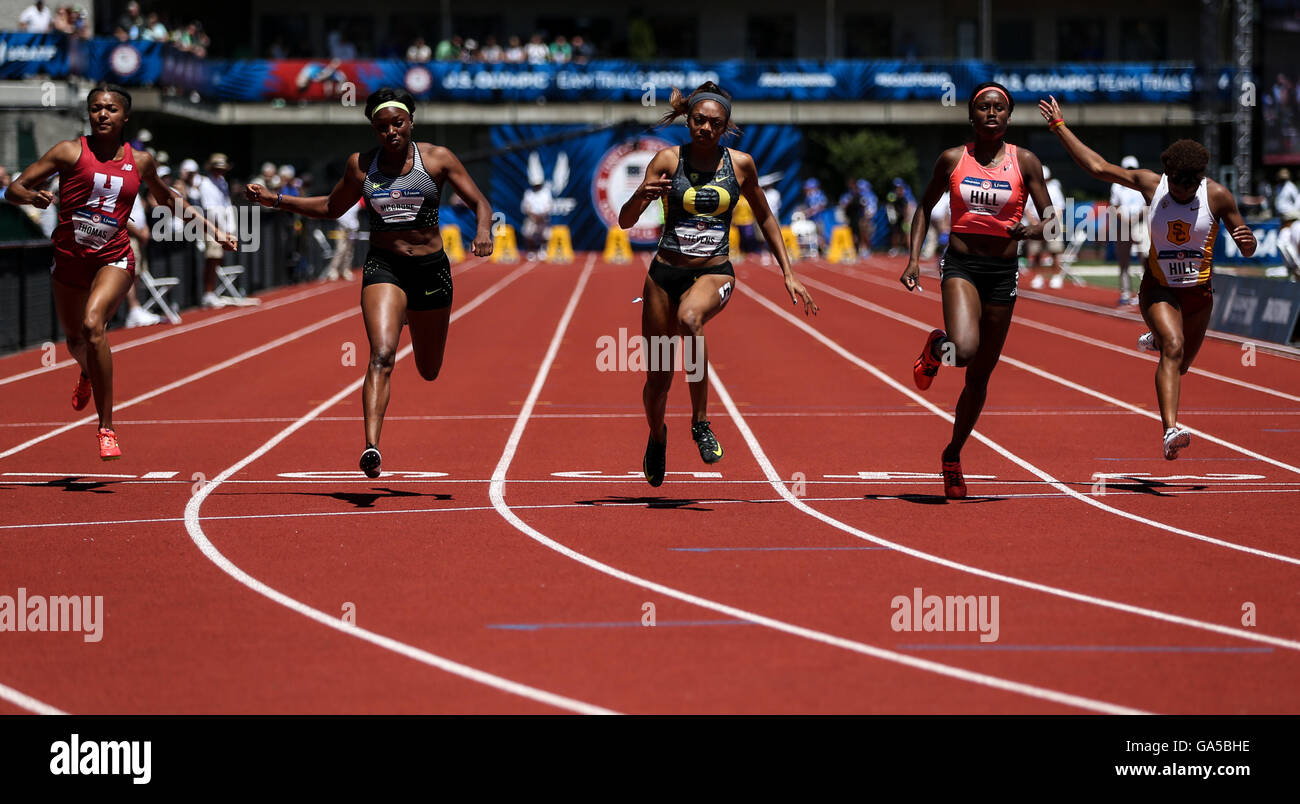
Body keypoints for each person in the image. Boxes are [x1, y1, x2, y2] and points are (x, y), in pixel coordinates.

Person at [245, 88, 493, 478]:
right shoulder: (362, 166)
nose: (391, 132)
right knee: (381, 354)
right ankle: (371, 447)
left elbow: (481, 203)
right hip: (385, 267)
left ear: (411, 121)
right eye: (382, 127)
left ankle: (412, 313)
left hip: (429, 270)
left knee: (429, 370)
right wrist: (277, 200)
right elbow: (330, 207)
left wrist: (483, 232)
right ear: (373, 129)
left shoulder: (437, 159)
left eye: (398, 123)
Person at [4, 84, 233, 459]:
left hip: (114, 257)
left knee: (94, 325)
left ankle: (106, 427)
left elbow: (168, 199)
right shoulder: (68, 151)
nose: (102, 114)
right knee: (77, 341)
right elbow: (14, 189)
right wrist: (31, 196)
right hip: (68, 260)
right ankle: (89, 370)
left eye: (110, 109)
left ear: (125, 116)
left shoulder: (139, 161)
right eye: (95, 108)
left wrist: (213, 231)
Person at [618, 82, 818, 487]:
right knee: (657, 381)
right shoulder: (667, 161)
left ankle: (701, 421)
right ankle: (658, 437)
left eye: (715, 123)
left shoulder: (740, 165)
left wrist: (788, 272)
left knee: (692, 318)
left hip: (714, 271)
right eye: (699, 120)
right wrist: (641, 195)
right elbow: (625, 221)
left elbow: (764, 216)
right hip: (663, 275)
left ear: (725, 127)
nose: (705, 128)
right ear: (688, 120)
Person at [1039, 95, 1257, 460]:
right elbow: (1097, 166)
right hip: (1158, 290)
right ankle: (1170, 430)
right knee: (1173, 348)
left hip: (1199, 294)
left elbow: (1245, 242)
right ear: (1168, 174)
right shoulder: (1152, 185)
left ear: (1198, 180)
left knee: (1182, 363)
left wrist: (1246, 242)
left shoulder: (1217, 196)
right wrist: (1059, 127)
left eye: (1187, 186)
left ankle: (1157, 339)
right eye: (1175, 183)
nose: (1180, 191)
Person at [901, 82, 1058, 499]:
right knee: (964, 349)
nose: (991, 114)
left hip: (1003, 272)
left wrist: (1035, 229)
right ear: (972, 117)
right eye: (983, 108)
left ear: (1008, 117)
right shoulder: (953, 159)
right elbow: (923, 207)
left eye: (999, 108)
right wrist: (914, 259)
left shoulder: (1025, 162)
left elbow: (1053, 219)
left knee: (980, 375)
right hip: (962, 265)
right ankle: (938, 347)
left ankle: (952, 456)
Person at [193, 153, 236, 308]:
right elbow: (211, 210)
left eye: (222, 169)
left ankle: (211, 292)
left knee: (217, 259)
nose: (220, 172)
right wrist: (223, 231)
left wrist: (230, 229)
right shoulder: (206, 184)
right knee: (212, 259)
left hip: (221, 227)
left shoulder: (222, 182)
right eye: (217, 169)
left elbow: (227, 204)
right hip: (211, 226)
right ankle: (208, 293)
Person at [1110, 155, 1147, 305]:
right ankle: (1125, 292)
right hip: (1123, 224)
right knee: (1123, 260)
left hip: (1140, 223)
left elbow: (1148, 203)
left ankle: (1146, 292)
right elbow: (1114, 206)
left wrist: (1137, 217)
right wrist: (1125, 219)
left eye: (1132, 169)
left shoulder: (1142, 184)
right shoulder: (1117, 186)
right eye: (1128, 169)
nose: (1130, 172)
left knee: (1145, 258)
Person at [520, 178, 552, 258]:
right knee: (528, 234)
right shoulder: (528, 193)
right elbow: (525, 207)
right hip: (532, 218)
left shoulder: (546, 193)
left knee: (544, 235)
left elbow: (549, 206)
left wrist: (542, 216)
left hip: (543, 218)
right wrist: (533, 215)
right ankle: (531, 251)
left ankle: (543, 250)